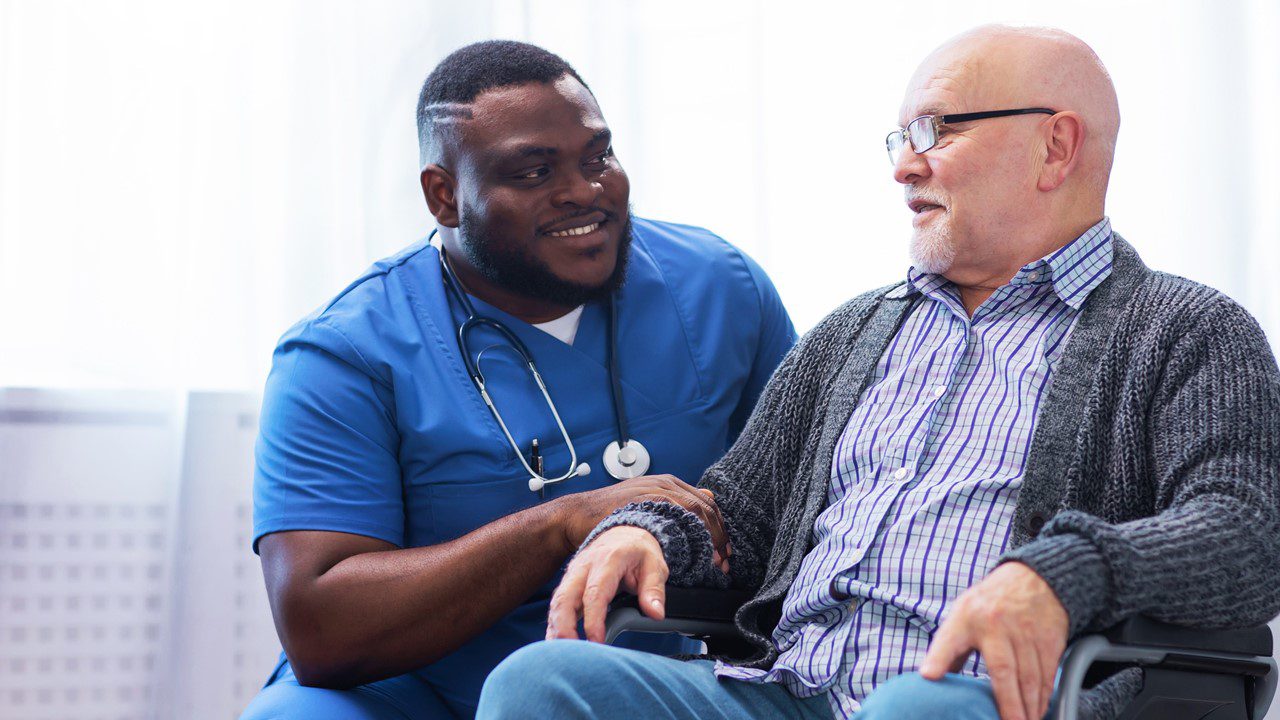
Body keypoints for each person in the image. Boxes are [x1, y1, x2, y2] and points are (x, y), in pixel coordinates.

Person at [477, 25, 1280, 720]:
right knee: (543, 683)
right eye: (899, 138)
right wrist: (647, 532)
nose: (904, 167)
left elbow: (1248, 533)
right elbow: (741, 517)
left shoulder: (1186, 330)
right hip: (787, 688)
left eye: (935, 130)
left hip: (979, 700)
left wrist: (1061, 574)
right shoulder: (853, 331)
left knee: (910, 708)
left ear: (1056, 147)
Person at [240, 40, 796, 719]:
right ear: (444, 196)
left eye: (598, 156)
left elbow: (806, 514)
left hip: (666, 671)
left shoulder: (721, 288)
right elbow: (320, 627)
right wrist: (560, 525)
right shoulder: (345, 352)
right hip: (423, 691)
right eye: (533, 172)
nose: (585, 191)